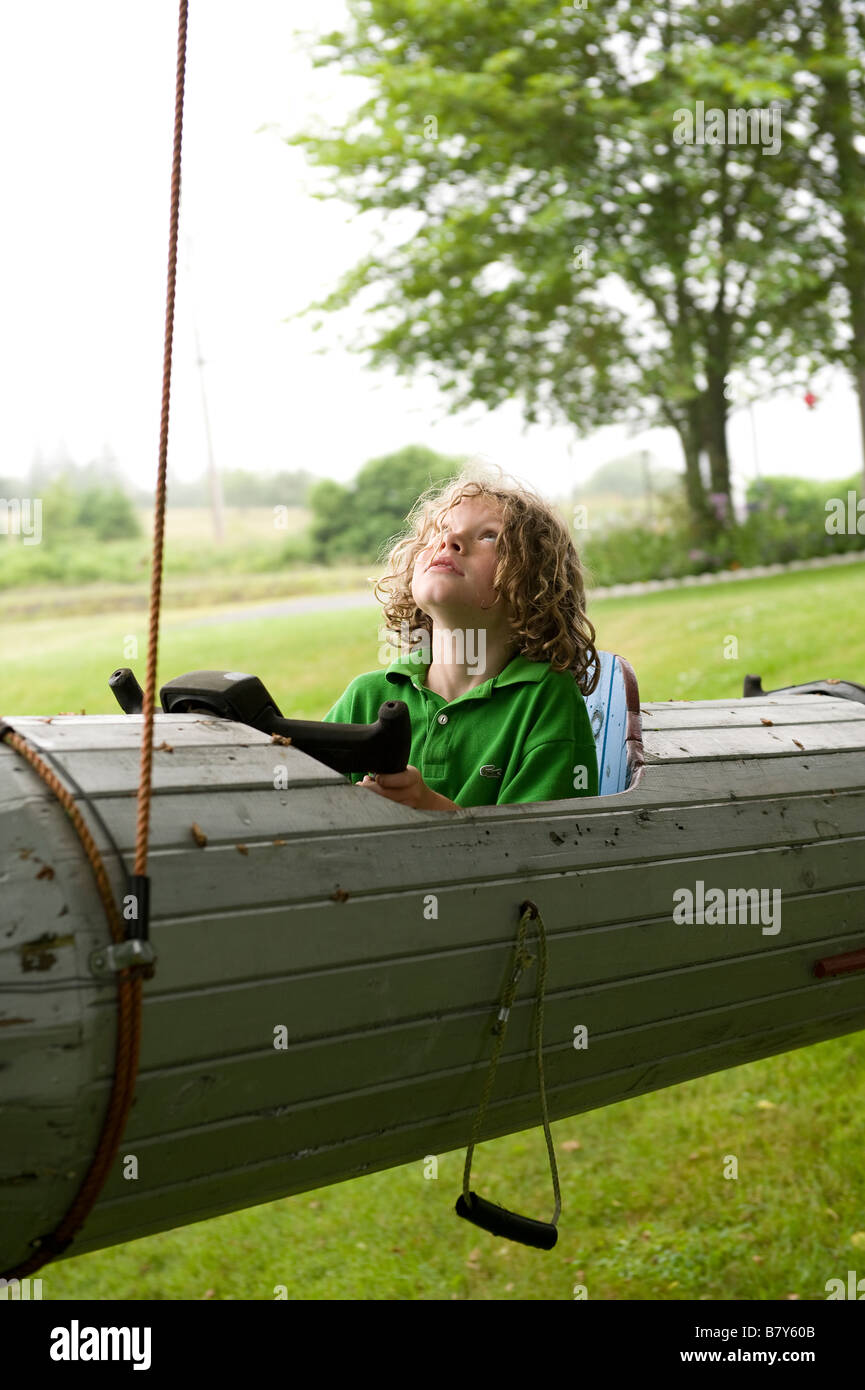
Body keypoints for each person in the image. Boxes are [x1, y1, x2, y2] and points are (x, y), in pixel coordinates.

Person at [322, 467, 600, 810]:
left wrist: (428, 809)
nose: (449, 540)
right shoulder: (366, 697)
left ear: (533, 588)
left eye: (488, 536)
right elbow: (298, 805)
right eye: (442, 528)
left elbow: (547, 846)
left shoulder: (544, 699)